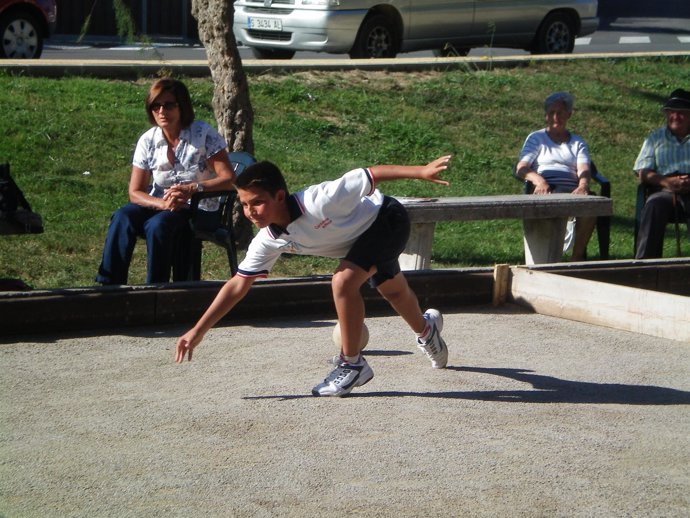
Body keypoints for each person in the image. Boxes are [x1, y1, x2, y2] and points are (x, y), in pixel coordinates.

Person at [175, 156, 453, 397]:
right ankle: (427, 331)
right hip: (360, 243)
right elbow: (237, 285)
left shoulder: (320, 200)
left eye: (257, 203)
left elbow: (370, 174)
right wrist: (198, 330)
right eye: (245, 204)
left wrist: (421, 171)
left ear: (280, 196)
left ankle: (352, 363)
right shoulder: (268, 239)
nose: (249, 212)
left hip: (387, 219)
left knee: (343, 281)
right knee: (393, 291)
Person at [96, 78, 236, 285]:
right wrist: (162, 204)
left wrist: (192, 189)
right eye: (156, 106)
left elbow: (229, 179)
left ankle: (156, 288)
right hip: (162, 204)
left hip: (198, 207)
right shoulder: (149, 140)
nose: (162, 111)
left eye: (169, 105)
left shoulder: (202, 133)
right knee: (122, 216)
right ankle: (108, 285)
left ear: (182, 106)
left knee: (158, 224)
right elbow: (135, 192)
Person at [515, 91, 597, 261]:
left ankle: (577, 257)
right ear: (546, 116)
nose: (555, 117)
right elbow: (521, 168)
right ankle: (550, 257)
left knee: (591, 205)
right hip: (547, 187)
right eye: (551, 113)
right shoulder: (536, 138)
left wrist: (583, 186)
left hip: (572, 188)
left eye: (559, 113)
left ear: (569, 115)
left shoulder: (577, 142)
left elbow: (584, 169)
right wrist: (539, 180)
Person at [634, 88, 690, 259]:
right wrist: (667, 182)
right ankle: (644, 266)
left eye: (681, 113)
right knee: (653, 205)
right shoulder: (655, 138)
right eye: (671, 112)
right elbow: (642, 172)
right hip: (664, 190)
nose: (675, 117)